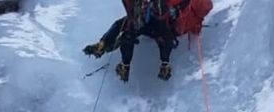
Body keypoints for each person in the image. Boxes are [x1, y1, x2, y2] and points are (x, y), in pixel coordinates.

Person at [83, 0, 212, 83]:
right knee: (130, 28)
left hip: (153, 22)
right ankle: (163, 64)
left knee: (126, 28)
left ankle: (112, 52)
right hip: (157, 22)